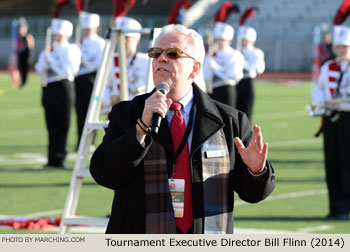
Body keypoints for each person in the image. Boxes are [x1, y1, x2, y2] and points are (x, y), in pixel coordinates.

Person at [90, 24, 275, 233]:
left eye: (173, 53)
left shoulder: (230, 121)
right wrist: (140, 130)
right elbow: (103, 174)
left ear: (195, 68)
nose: (162, 58)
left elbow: (252, 194)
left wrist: (256, 171)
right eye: (156, 53)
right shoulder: (127, 113)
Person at [311, 25, 350, 220]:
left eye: (346, 46)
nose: (342, 50)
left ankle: (345, 206)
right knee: (332, 163)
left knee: (347, 163)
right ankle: (335, 206)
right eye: (340, 46)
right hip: (330, 118)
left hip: (348, 119)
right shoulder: (328, 66)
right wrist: (319, 100)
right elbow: (319, 88)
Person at [35, 19, 81, 168]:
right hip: (49, 87)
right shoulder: (48, 50)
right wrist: (44, 64)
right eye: (57, 34)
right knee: (50, 124)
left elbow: (71, 70)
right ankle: (51, 158)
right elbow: (38, 69)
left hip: (64, 86)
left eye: (61, 34)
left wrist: (52, 63)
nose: (58, 37)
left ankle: (60, 157)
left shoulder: (72, 49)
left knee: (62, 123)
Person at [75, 12, 106, 149]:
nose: (86, 30)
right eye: (85, 28)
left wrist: (81, 57)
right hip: (79, 80)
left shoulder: (100, 43)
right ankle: (80, 141)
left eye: (89, 28)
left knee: (91, 111)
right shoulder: (78, 42)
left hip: (93, 79)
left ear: (96, 28)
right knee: (79, 111)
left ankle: (91, 140)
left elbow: (97, 64)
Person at [103, 16, 148, 107]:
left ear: (136, 41)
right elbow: (103, 88)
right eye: (120, 37)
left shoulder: (146, 61)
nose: (122, 41)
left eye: (127, 38)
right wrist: (110, 100)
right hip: (117, 109)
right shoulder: (111, 60)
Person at [203, 22, 244, 107]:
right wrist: (209, 55)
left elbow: (234, 75)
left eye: (223, 40)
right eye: (218, 39)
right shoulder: (213, 53)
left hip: (227, 89)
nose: (220, 42)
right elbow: (205, 74)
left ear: (229, 41)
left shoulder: (234, 54)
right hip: (212, 90)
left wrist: (215, 68)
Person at [236, 26, 265, 121]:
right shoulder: (237, 52)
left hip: (247, 82)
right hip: (236, 83)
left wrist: (242, 62)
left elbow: (259, 69)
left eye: (246, 39)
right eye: (243, 39)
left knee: (247, 114)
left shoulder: (256, 52)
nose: (244, 41)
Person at [16, 17, 35, 88]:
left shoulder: (28, 36)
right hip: (21, 55)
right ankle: (22, 82)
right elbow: (18, 47)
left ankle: (24, 83)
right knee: (21, 68)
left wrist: (30, 56)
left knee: (25, 69)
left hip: (26, 55)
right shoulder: (19, 37)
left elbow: (31, 46)